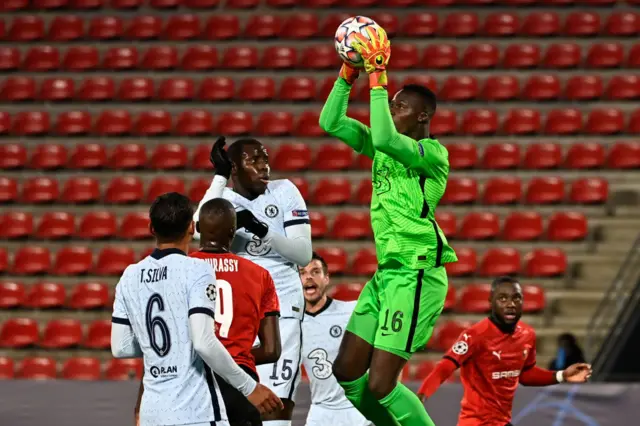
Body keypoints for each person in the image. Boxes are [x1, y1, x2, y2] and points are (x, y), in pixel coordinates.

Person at [318, 26, 458, 426]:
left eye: (399, 107)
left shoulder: (432, 154)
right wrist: (348, 73)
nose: (390, 110)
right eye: (391, 104)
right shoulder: (385, 147)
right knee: (346, 372)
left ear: (422, 116)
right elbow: (330, 121)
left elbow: (381, 136)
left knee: (381, 385)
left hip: (417, 273)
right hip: (386, 276)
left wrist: (378, 77)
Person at [111, 192, 282, 426]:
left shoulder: (129, 276)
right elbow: (203, 342)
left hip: (153, 412)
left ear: (151, 228)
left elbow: (120, 348)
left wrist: (165, 345)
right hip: (194, 411)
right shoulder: (196, 270)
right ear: (192, 227)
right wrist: (249, 387)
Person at [194, 137, 313, 426]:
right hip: (239, 309)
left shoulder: (285, 191)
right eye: (254, 160)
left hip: (282, 306)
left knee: (274, 405)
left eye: (265, 159)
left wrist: (261, 230)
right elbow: (199, 228)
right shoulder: (226, 200)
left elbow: (303, 253)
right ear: (235, 168)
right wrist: (220, 177)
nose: (264, 166)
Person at [417, 276, 592, 426]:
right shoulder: (475, 335)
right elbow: (445, 367)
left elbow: (526, 374)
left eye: (516, 298)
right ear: (491, 301)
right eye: (502, 298)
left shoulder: (527, 335)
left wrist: (562, 375)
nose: (510, 304)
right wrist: (421, 396)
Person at [191, 198, 283, 426]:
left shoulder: (182, 268)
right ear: (233, 231)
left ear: (198, 228)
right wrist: (235, 358)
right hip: (242, 385)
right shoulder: (260, 275)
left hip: (193, 383)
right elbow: (272, 351)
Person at [300, 253, 372, 426]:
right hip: (321, 412)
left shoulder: (352, 311)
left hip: (359, 412)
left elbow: (387, 349)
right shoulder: (292, 323)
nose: (309, 276)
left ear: (326, 278)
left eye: (315, 271)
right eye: (302, 273)